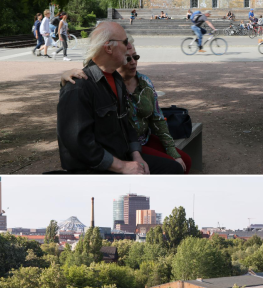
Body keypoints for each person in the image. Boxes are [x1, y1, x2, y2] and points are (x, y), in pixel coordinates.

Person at [57, 21, 180, 175]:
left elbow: (125, 125)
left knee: (174, 169)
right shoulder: (78, 86)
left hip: (121, 157)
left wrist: (136, 155)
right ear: (108, 47)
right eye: (125, 42)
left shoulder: (116, 80)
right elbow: (78, 143)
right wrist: (122, 166)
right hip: (95, 169)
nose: (128, 46)